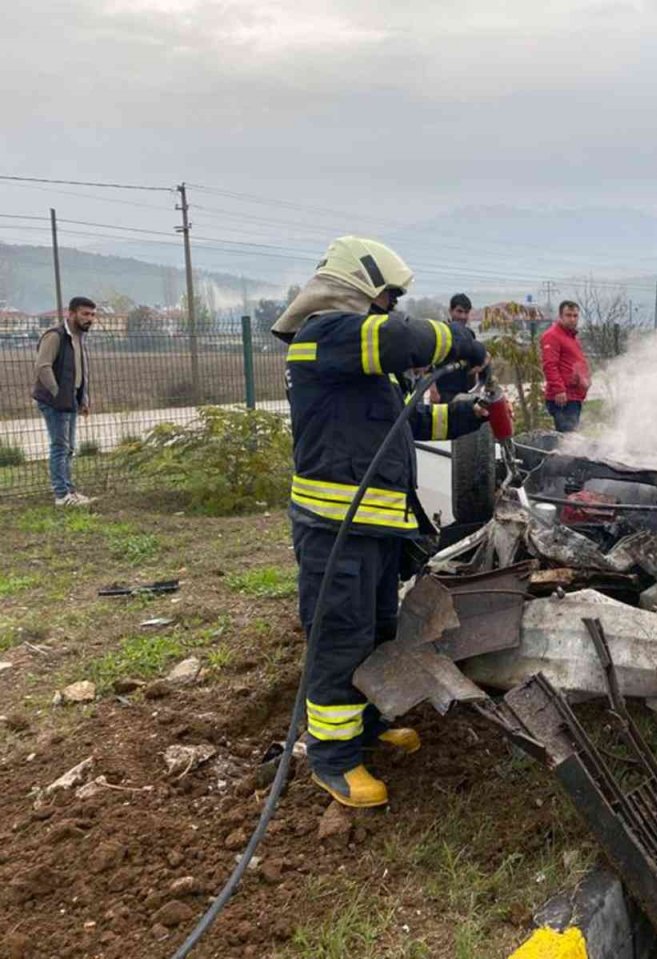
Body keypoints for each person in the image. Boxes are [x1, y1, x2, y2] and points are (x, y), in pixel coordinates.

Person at [271, 236, 489, 808]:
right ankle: (334, 758)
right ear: (356, 290)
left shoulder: (355, 358)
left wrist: (469, 415)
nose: (392, 306)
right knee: (339, 638)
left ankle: (366, 727)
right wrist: (460, 339)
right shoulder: (324, 335)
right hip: (334, 530)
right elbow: (402, 338)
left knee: (374, 632)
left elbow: (405, 424)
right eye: (387, 295)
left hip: (371, 530)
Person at [31, 296, 97, 506]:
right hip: (55, 401)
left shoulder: (78, 337)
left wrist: (82, 398)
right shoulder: (56, 336)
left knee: (68, 448)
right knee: (60, 446)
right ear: (71, 314)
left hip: (70, 400)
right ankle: (61, 495)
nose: (90, 319)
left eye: (92, 315)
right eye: (85, 314)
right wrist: (57, 393)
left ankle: (70, 491)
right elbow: (42, 366)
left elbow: (78, 371)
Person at [541, 300, 591, 432]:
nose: (572, 319)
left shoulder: (571, 337)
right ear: (560, 316)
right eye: (568, 315)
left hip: (574, 395)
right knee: (567, 439)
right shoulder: (552, 336)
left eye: (575, 316)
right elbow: (549, 365)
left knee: (571, 437)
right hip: (563, 398)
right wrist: (559, 389)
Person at [433, 293, 476, 402]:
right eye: (459, 311)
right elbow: (428, 367)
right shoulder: (441, 333)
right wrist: (433, 391)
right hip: (444, 394)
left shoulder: (470, 335)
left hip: (464, 393)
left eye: (466, 312)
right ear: (450, 311)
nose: (463, 316)